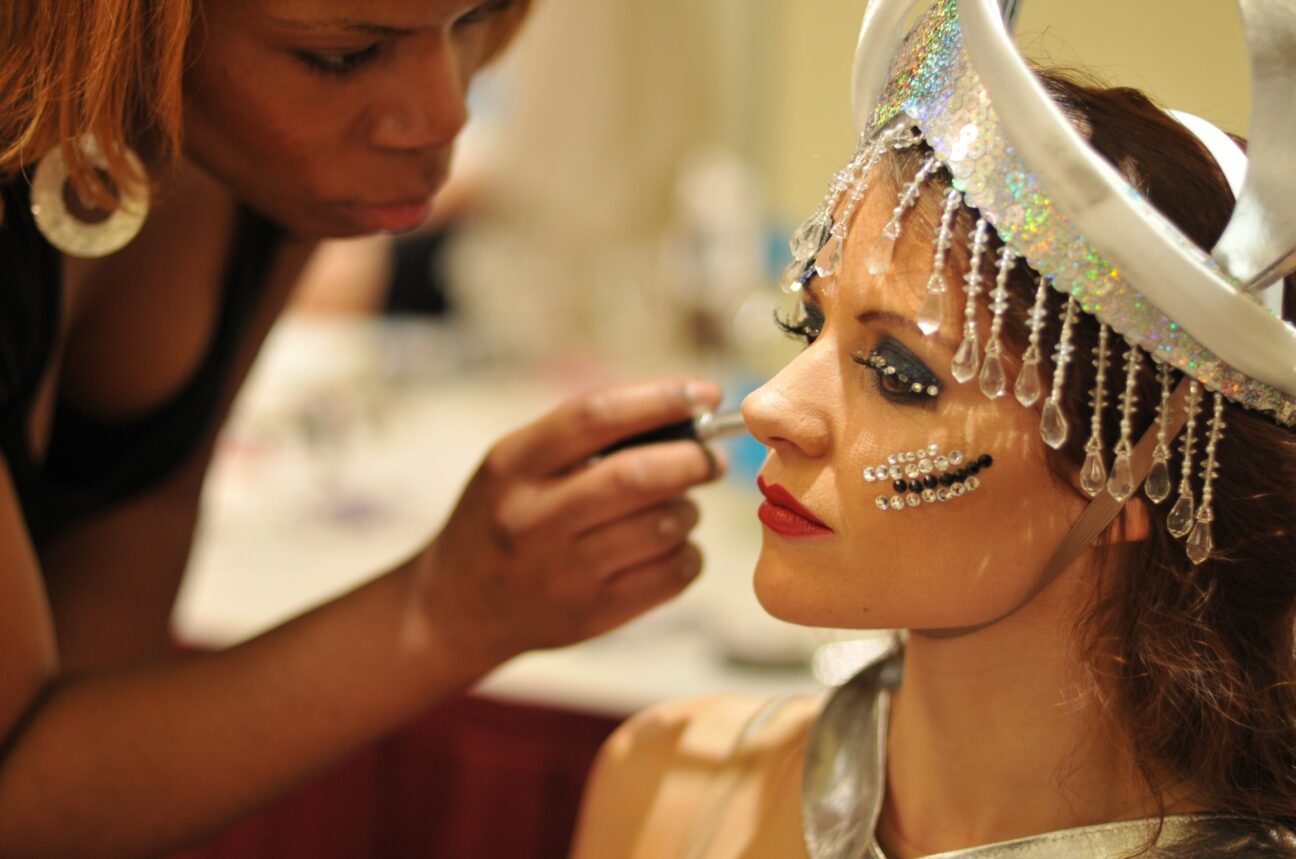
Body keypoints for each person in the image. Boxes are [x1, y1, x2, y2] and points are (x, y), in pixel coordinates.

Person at [571, 0, 1296, 856]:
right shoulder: (670, 793)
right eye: (810, 327)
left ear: (1133, 471)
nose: (771, 407)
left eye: (900, 374)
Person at [0, 1, 725, 854]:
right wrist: (448, 611)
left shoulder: (255, 164)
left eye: (475, 18)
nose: (444, 114)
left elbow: (100, 708)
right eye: (345, 56)